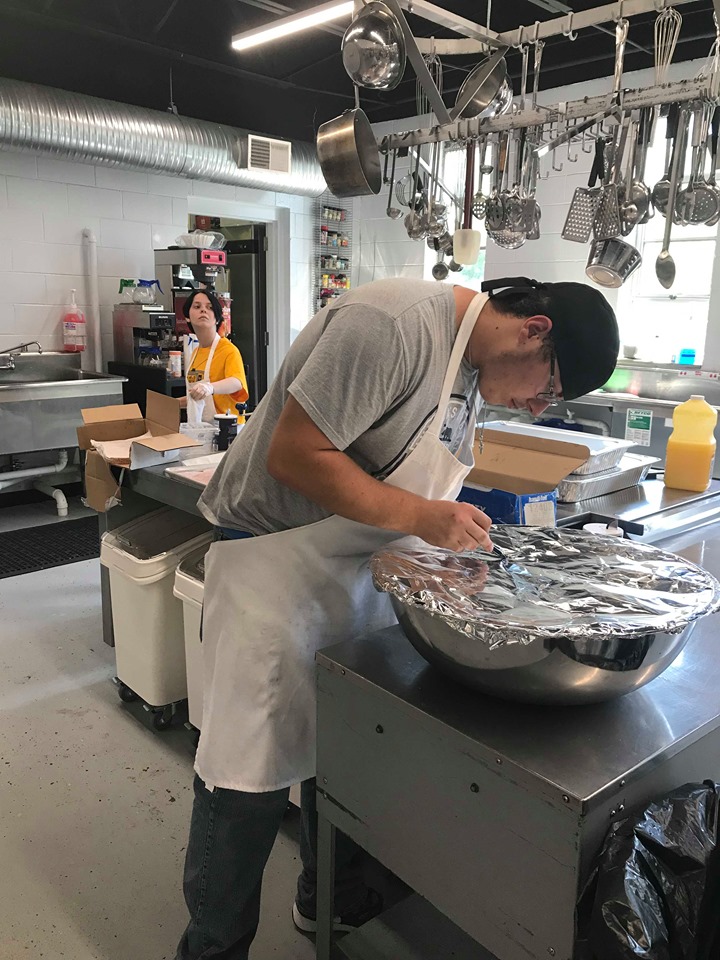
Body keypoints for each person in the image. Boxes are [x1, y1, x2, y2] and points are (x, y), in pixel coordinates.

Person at [174, 275, 619, 960]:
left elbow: (410, 478)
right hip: (274, 568)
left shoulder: (473, 370)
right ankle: (212, 945)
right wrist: (422, 519)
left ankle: (330, 904)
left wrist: (438, 552)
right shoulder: (393, 325)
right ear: (534, 330)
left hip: (356, 574)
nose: (538, 404)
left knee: (349, 752)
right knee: (248, 776)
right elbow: (294, 456)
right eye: (549, 389)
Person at [180, 288, 249, 424]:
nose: (203, 310)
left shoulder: (228, 350)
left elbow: (237, 382)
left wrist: (209, 387)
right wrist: (172, 404)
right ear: (187, 316)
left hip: (227, 430)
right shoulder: (195, 353)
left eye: (209, 307)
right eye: (197, 306)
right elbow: (198, 396)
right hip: (202, 430)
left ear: (217, 318)